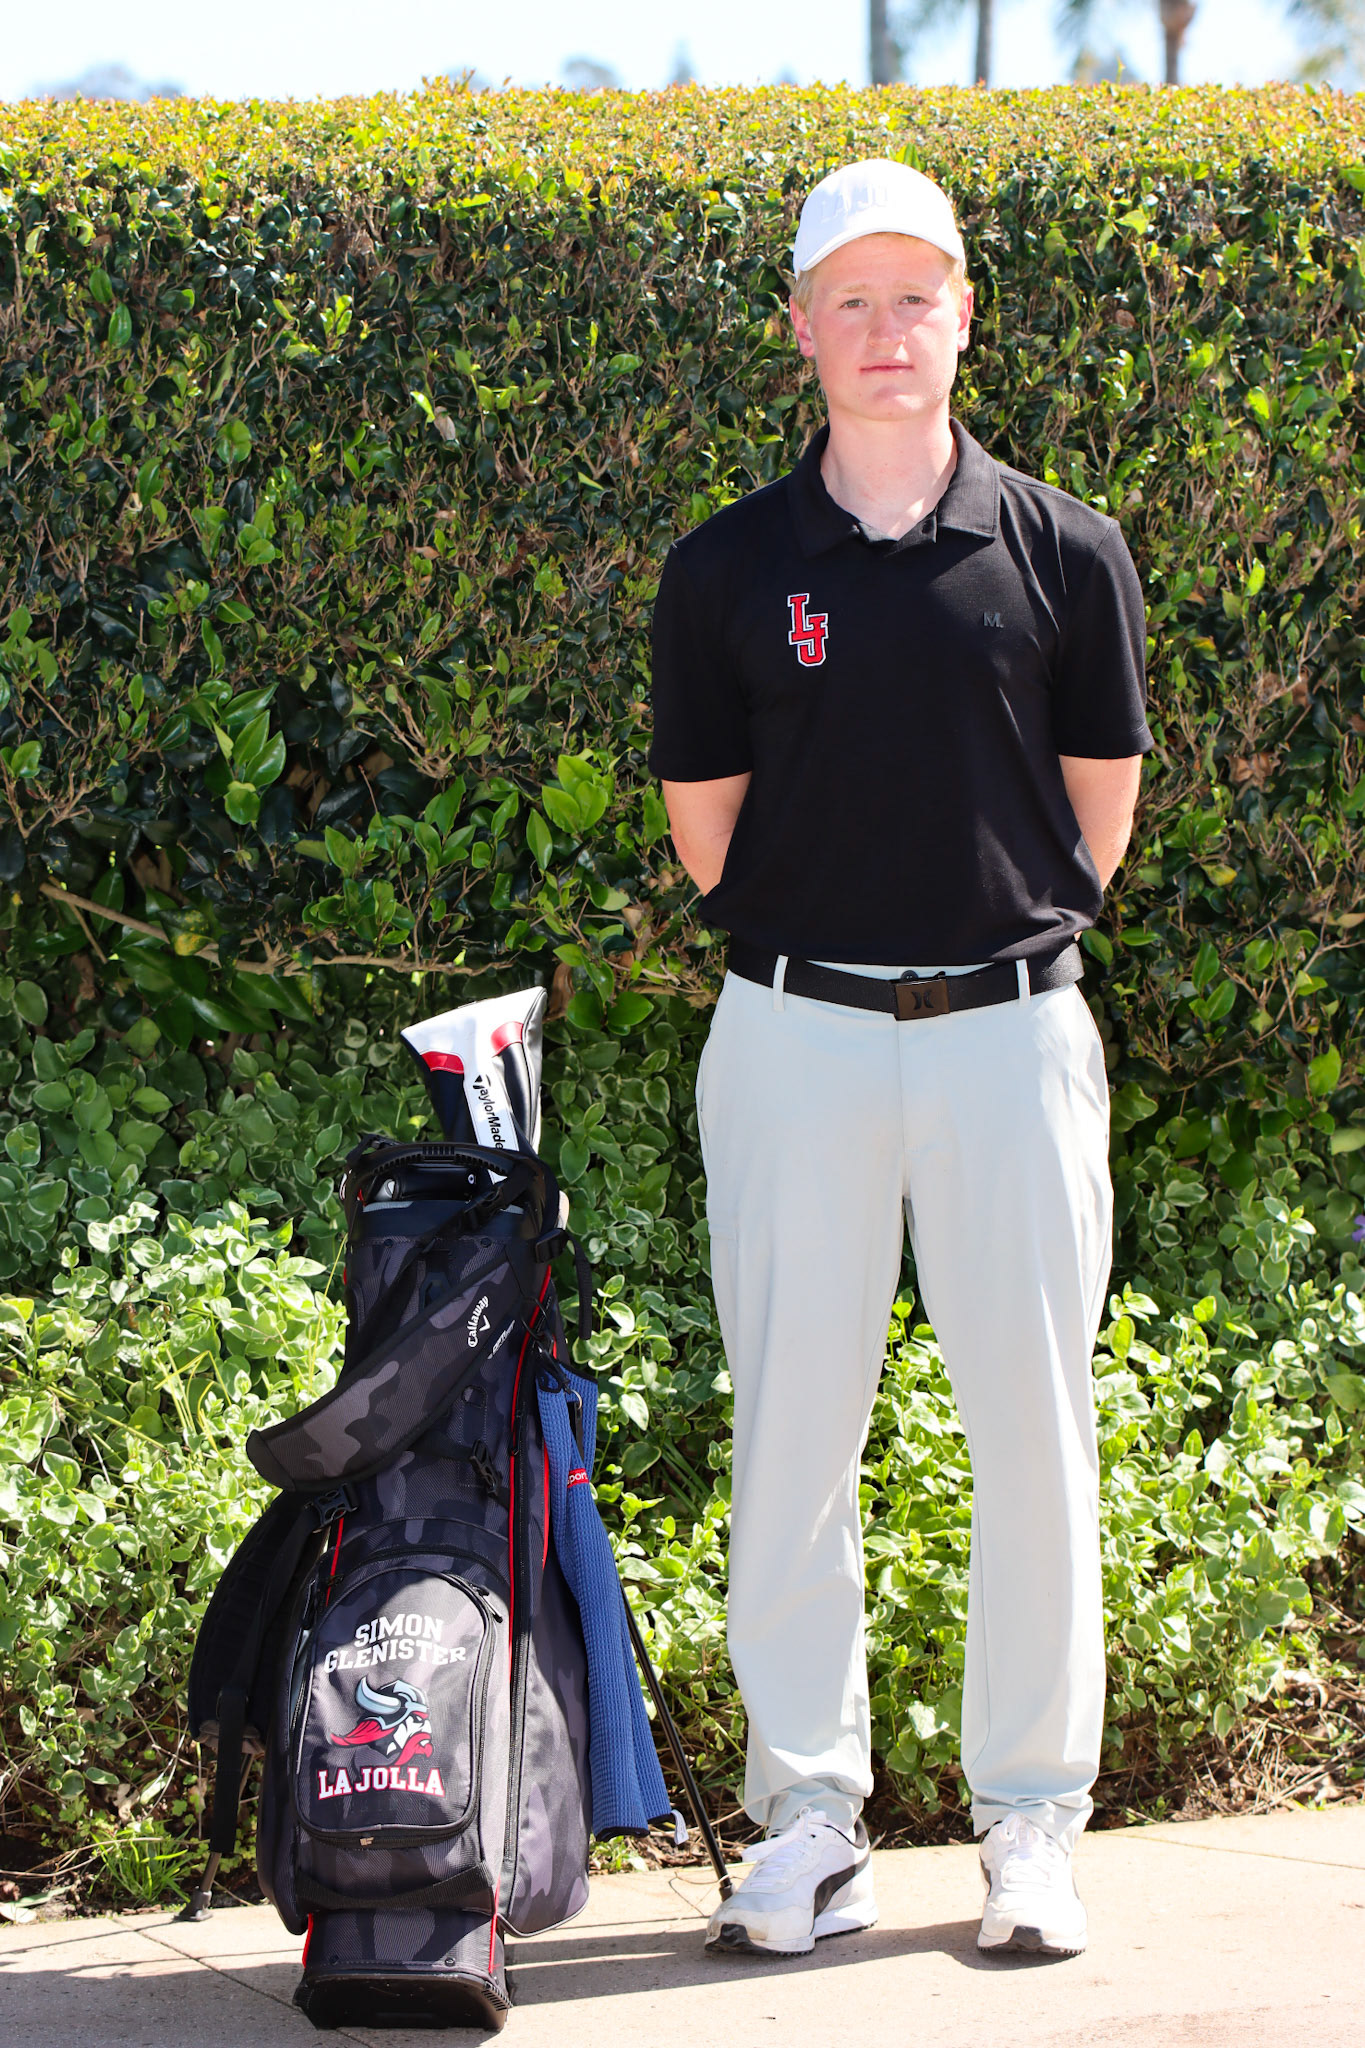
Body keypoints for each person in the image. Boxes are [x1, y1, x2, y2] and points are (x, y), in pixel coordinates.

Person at [648, 158, 1152, 1961]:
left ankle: (1030, 1823)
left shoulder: (1065, 551)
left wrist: (991, 942)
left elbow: (1098, 811)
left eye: (912, 296)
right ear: (799, 327)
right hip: (795, 1037)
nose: (883, 330)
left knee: (1035, 1437)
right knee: (793, 1434)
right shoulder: (724, 567)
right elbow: (708, 834)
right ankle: (809, 1819)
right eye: (847, 300)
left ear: (962, 315)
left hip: (1012, 1042)